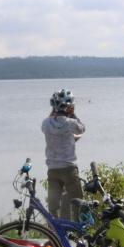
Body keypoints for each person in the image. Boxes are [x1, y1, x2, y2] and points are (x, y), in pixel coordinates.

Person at [41, 89, 85, 221]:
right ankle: (78, 232)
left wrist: (55, 111)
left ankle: (54, 234)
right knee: (78, 201)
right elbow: (82, 128)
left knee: (53, 206)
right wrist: (73, 114)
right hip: (69, 169)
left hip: (52, 170)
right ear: (69, 107)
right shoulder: (70, 123)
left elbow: (54, 133)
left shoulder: (46, 123)